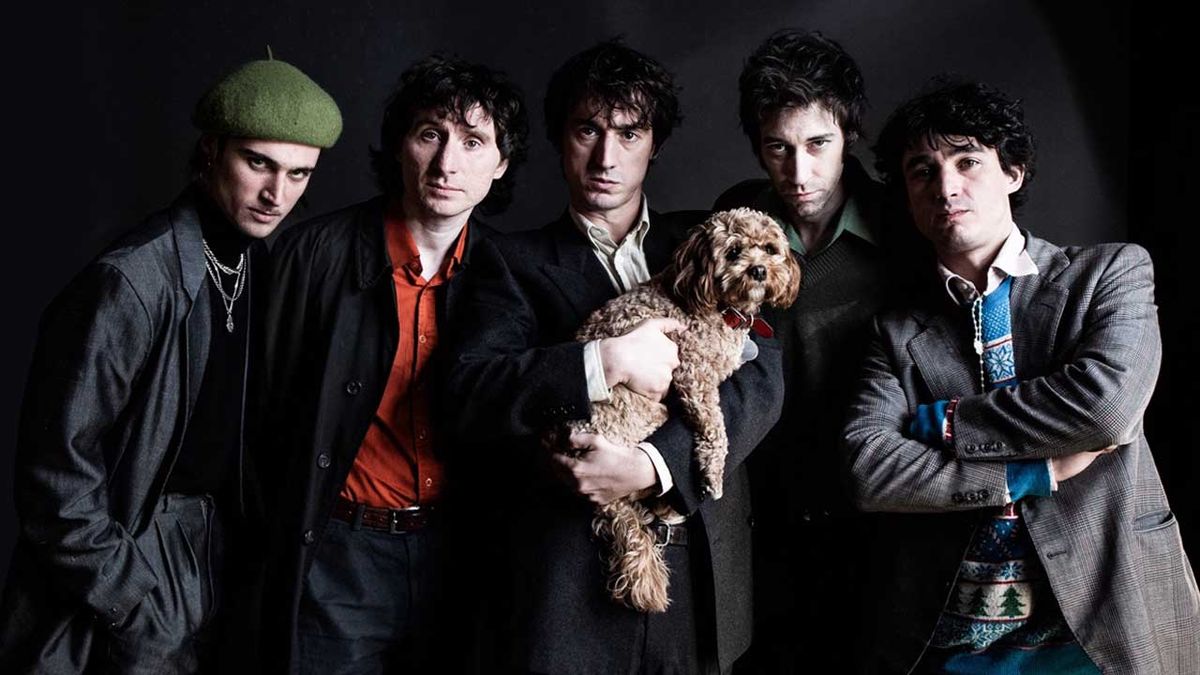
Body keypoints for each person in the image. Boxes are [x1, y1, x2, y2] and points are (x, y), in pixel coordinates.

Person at [444, 39, 784, 674]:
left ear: (654, 144)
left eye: (629, 133)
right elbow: (472, 392)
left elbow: (762, 376)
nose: (606, 155)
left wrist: (656, 465)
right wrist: (603, 361)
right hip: (572, 590)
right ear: (558, 139)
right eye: (586, 130)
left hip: (701, 575)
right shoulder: (509, 262)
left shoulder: (712, 242)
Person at [843, 80, 1199, 674]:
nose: (946, 187)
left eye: (968, 161)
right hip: (953, 641)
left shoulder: (1109, 273)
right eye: (922, 171)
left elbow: (1105, 410)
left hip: (1101, 620)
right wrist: (1036, 470)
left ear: (1013, 171)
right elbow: (870, 469)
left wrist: (946, 422)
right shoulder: (896, 330)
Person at [0, 55, 341, 674]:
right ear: (211, 150)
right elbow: (54, 469)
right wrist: (127, 593)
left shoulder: (258, 268)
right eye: (258, 163)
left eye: (299, 174)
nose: (276, 195)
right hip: (142, 544)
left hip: (223, 552)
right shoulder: (132, 281)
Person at [257, 55, 527, 674]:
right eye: (430, 134)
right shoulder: (309, 257)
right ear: (400, 145)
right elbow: (259, 420)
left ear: (501, 163)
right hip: (338, 555)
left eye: (473, 141)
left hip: (460, 554)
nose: (447, 163)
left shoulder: (512, 272)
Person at [712, 30, 909, 670]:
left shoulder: (900, 225)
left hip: (874, 519)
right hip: (757, 517)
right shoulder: (738, 217)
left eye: (818, 145)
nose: (799, 173)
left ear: (849, 135)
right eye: (779, 148)